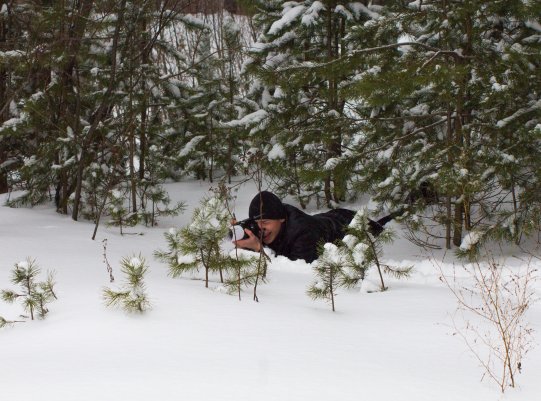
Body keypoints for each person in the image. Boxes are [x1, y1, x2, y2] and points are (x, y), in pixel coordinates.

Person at [233, 191, 397, 263]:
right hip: (325, 219)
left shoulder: (303, 233)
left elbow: (296, 269)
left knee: (383, 230)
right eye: (257, 223)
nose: (260, 228)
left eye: (266, 222)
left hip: (347, 223)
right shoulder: (260, 226)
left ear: (281, 219)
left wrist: (260, 250)